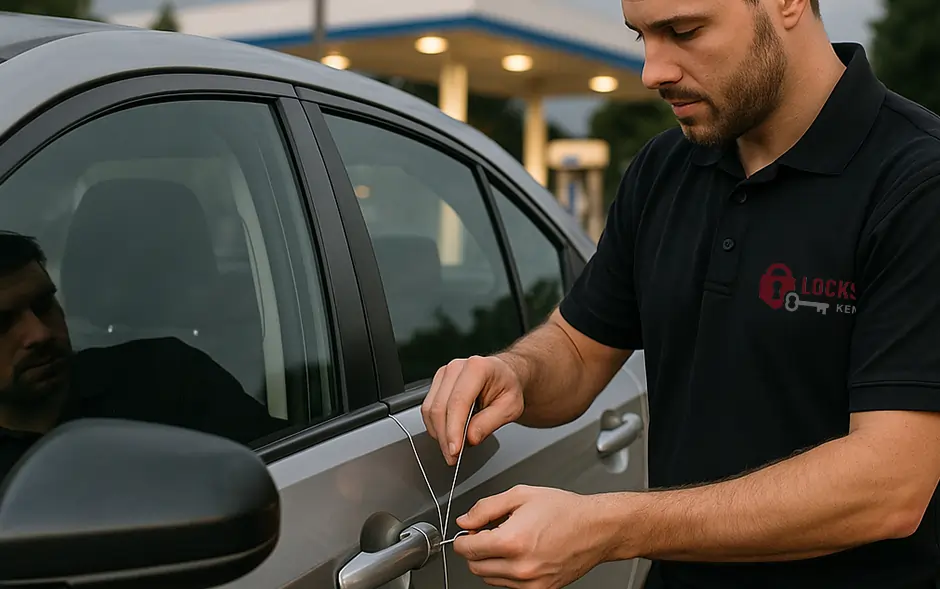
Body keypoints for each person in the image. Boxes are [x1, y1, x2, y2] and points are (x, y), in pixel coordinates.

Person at [422, 0, 940, 588]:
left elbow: (891, 485)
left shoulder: (918, 183)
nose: (653, 70)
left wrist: (610, 526)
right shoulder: (664, 169)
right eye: (642, 35)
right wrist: (514, 372)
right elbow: (577, 348)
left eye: (684, 30)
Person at [0, 231, 286, 478]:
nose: (40, 334)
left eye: (43, 305)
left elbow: (289, 472)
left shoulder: (168, 380)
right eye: (2, 323)